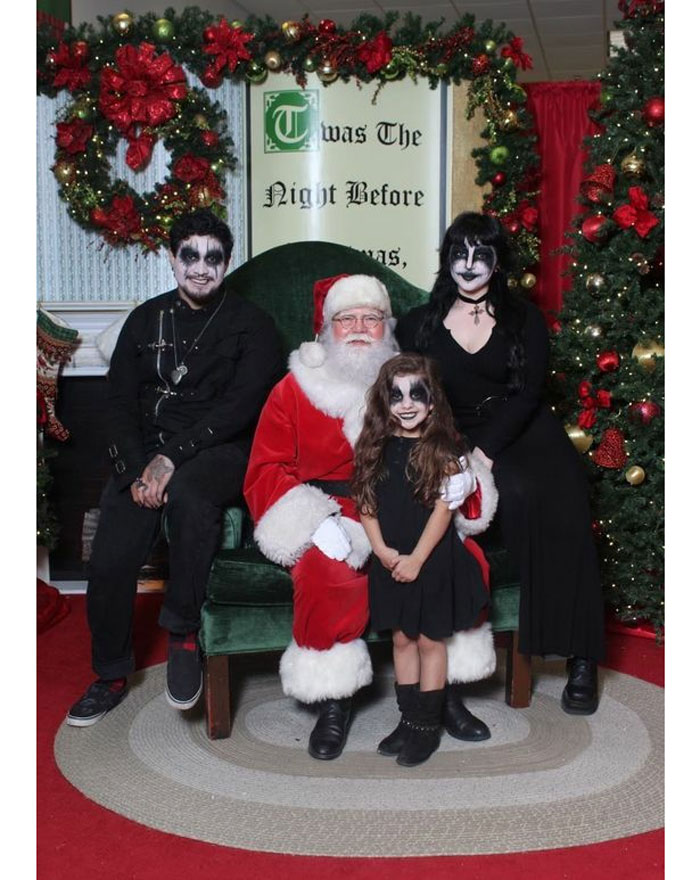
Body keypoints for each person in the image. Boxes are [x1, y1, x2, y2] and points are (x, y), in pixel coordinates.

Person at [243, 274, 498, 760]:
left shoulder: (407, 382)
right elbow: (266, 467)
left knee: (467, 565)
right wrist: (313, 521)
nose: (360, 329)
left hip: (416, 506)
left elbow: (450, 451)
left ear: (387, 326)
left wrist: (466, 490)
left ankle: (442, 694)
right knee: (329, 575)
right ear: (326, 327)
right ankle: (333, 698)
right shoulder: (293, 389)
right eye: (347, 319)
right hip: (332, 510)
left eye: (371, 319)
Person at [66, 209, 284, 727]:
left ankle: (184, 632)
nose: (201, 268)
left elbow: (242, 408)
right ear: (172, 258)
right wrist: (138, 468)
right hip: (145, 452)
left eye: (213, 257)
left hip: (222, 449)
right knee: (112, 552)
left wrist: (171, 459)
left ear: (227, 263)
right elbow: (117, 401)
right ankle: (111, 673)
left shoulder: (252, 326)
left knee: (190, 495)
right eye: (190, 255)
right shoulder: (145, 319)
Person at [396, 212, 606, 714]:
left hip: (522, 430)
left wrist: (484, 453)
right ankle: (499, 643)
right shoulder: (418, 324)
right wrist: (458, 451)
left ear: (497, 263)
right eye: (459, 254)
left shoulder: (524, 319)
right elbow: (409, 396)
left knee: (565, 502)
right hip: (456, 435)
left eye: (481, 255)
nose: (469, 266)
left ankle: (581, 656)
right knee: (512, 498)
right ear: (446, 260)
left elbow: (529, 393)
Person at [353, 353, 491, 766]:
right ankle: (409, 719)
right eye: (396, 396)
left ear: (432, 402)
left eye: (417, 394)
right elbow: (365, 503)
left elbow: (443, 513)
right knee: (401, 638)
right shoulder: (373, 446)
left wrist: (415, 559)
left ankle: (427, 727)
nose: (407, 404)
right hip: (390, 557)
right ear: (384, 402)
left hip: (429, 559)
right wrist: (381, 550)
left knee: (430, 640)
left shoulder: (444, 451)